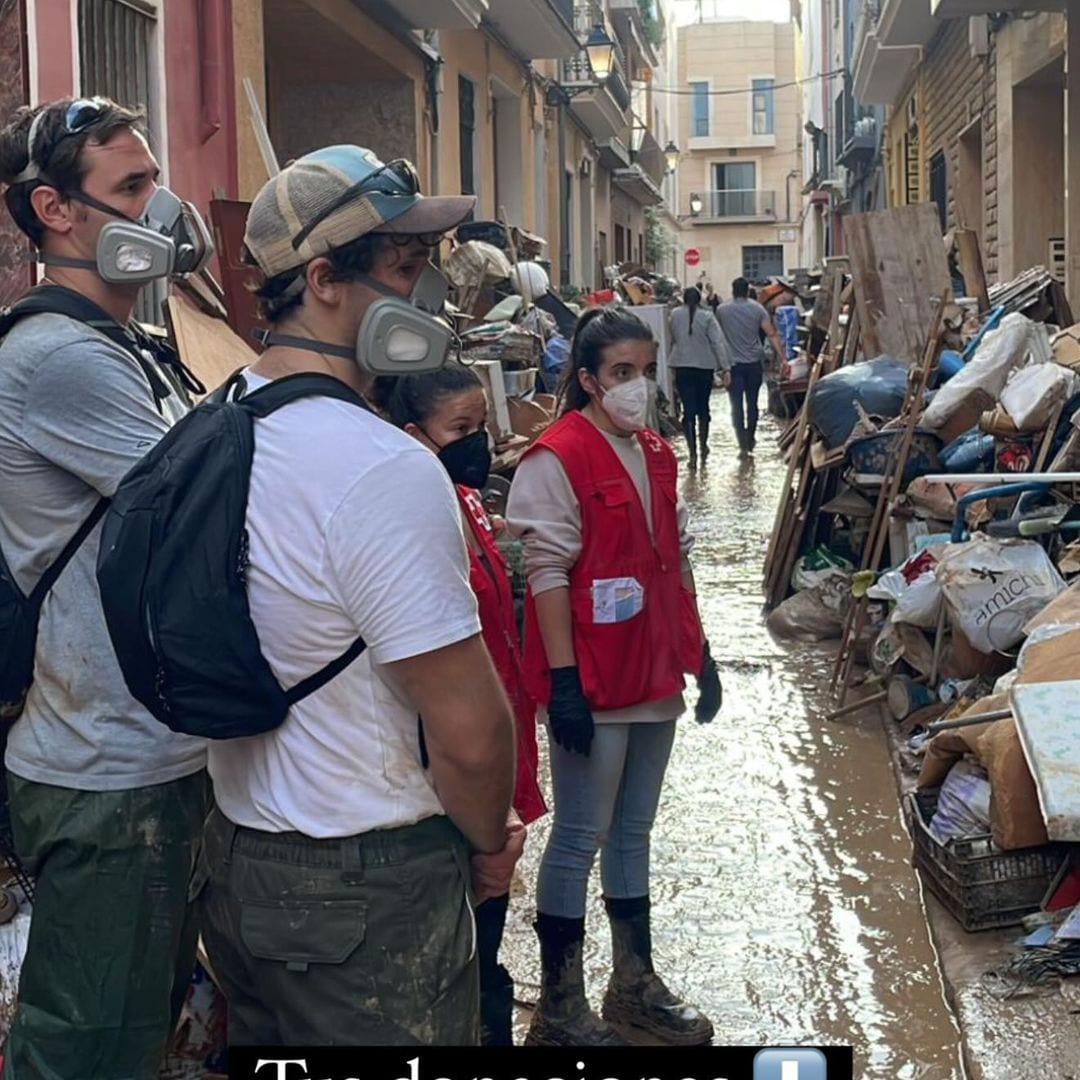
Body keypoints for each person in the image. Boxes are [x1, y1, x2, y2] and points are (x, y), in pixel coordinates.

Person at [196, 145, 517, 1047]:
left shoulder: (216, 418)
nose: (429, 301)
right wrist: (489, 840)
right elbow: (468, 728)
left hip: (237, 859)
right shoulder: (382, 465)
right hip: (363, 889)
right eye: (408, 271)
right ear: (325, 278)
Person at [0, 97, 210, 1077]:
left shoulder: (134, 347)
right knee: (87, 1050)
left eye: (156, 180)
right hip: (106, 776)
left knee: (137, 1031)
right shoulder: (60, 358)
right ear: (55, 210)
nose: (162, 208)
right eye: (132, 188)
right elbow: (208, 510)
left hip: (147, 758)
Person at [507, 308, 722, 1047]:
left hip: (654, 667)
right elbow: (547, 575)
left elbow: (674, 555)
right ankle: (562, 1010)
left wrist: (704, 653)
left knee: (634, 831)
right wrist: (562, 683)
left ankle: (634, 985)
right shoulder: (556, 456)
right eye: (621, 374)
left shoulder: (657, 452)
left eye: (646, 370)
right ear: (590, 380)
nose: (637, 386)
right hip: (594, 677)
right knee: (578, 835)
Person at [381, 366, 548, 1046]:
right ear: (414, 437)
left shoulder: (468, 501)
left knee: (490, 915)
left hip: (497, 732)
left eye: (482, 427)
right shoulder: (414, 513)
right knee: (466, 925)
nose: (478, 444)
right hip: (455, 761)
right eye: (461, 431)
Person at [716, 276, 785, 457]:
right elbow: (772, 334)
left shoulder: (722, 310)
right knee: (752, 403)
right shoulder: (757, 309)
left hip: (732, 365)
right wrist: (784, 358)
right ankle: (751, 437)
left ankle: (742, 445)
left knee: (736, 406)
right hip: (754, 363)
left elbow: (717, 337)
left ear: (732, 290)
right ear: (747, 290)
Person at [669, 286, 729, 468]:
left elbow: (673, 337)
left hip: (682, 366)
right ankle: (703, 446)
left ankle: (692, 453)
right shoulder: (708, 316)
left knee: (688, 410)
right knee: (703, 409)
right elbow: (717, 342)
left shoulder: (674, 314)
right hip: (704, 367)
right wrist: (725, 368)